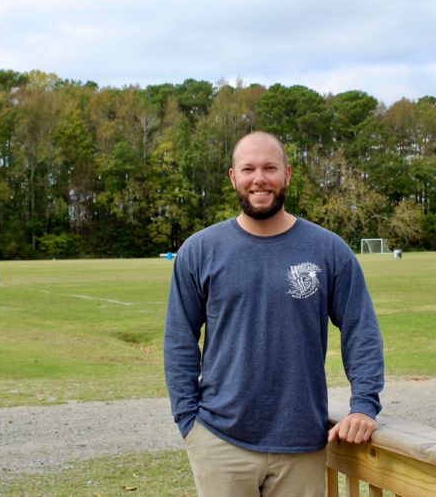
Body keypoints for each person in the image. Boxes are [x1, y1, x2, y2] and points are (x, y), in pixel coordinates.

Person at [163, 131, 385, 496]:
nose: (259, 178)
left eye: (270, 167)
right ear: (233, 177)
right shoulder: (200, 251)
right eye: (248, 168)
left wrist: (364, 406)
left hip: (302, 443)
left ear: (287, 175)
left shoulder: (328, 249)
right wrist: (188, 421)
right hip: (220, 440)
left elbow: (360, 329)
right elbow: (179, 339)